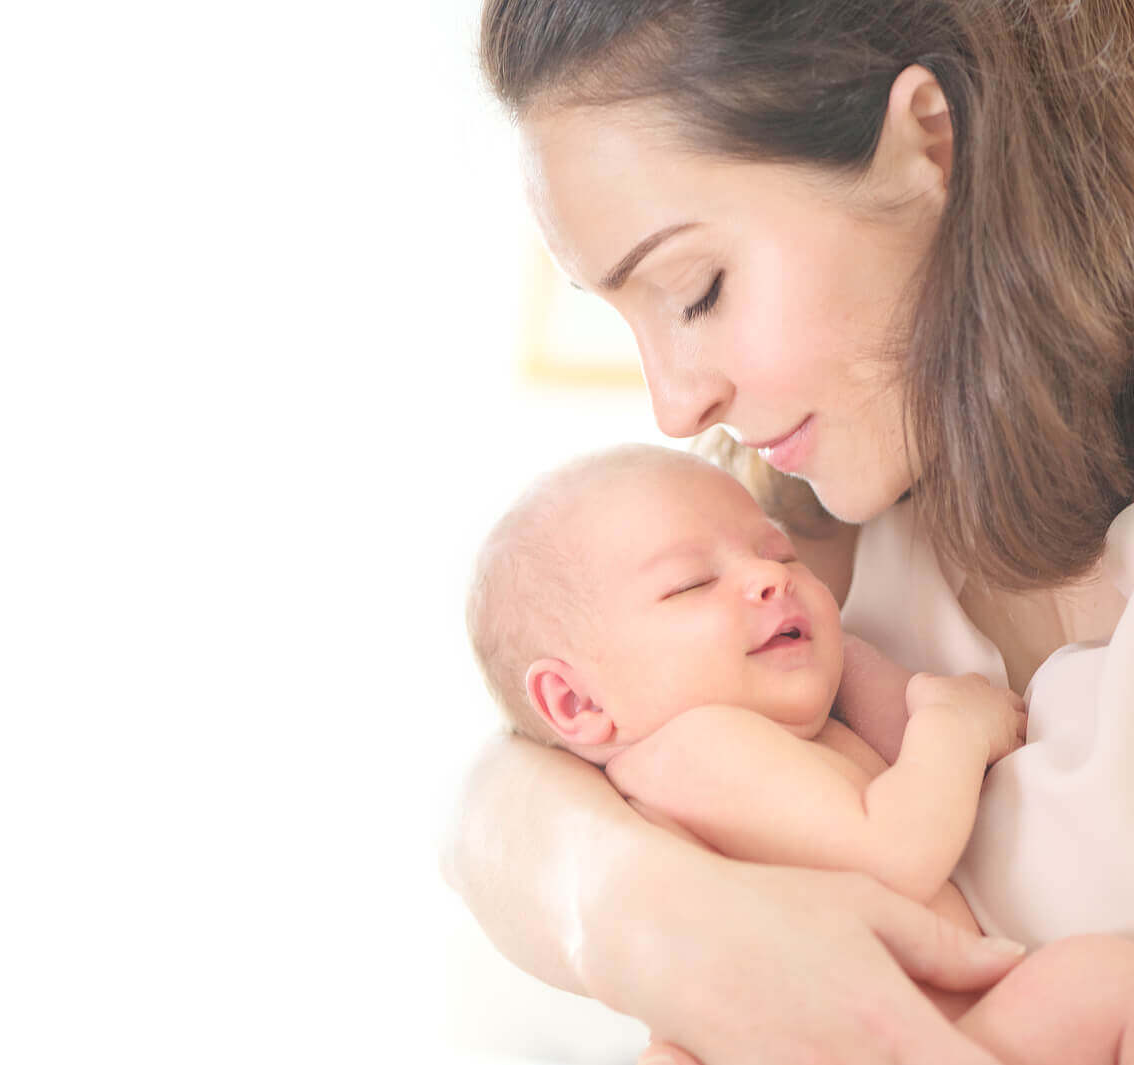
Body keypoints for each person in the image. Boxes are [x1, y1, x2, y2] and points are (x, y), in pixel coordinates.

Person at [442, 3, 1134, 1063]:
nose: (674, 406)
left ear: (926, 145)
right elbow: (511, 780)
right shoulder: (813, 537)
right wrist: (646, 918)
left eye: (697, 289)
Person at [465, 443, 1134, 1064]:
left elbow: (924, 757)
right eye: (691, 584)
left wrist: (855, 667)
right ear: (577, 703)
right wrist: (951, 724)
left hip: (950, 1031)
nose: (767, 577)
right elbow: (897, 851)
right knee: (1108, 984)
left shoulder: (784, 722)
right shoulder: (696, 747)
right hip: (896, 1039)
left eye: (781, 554)